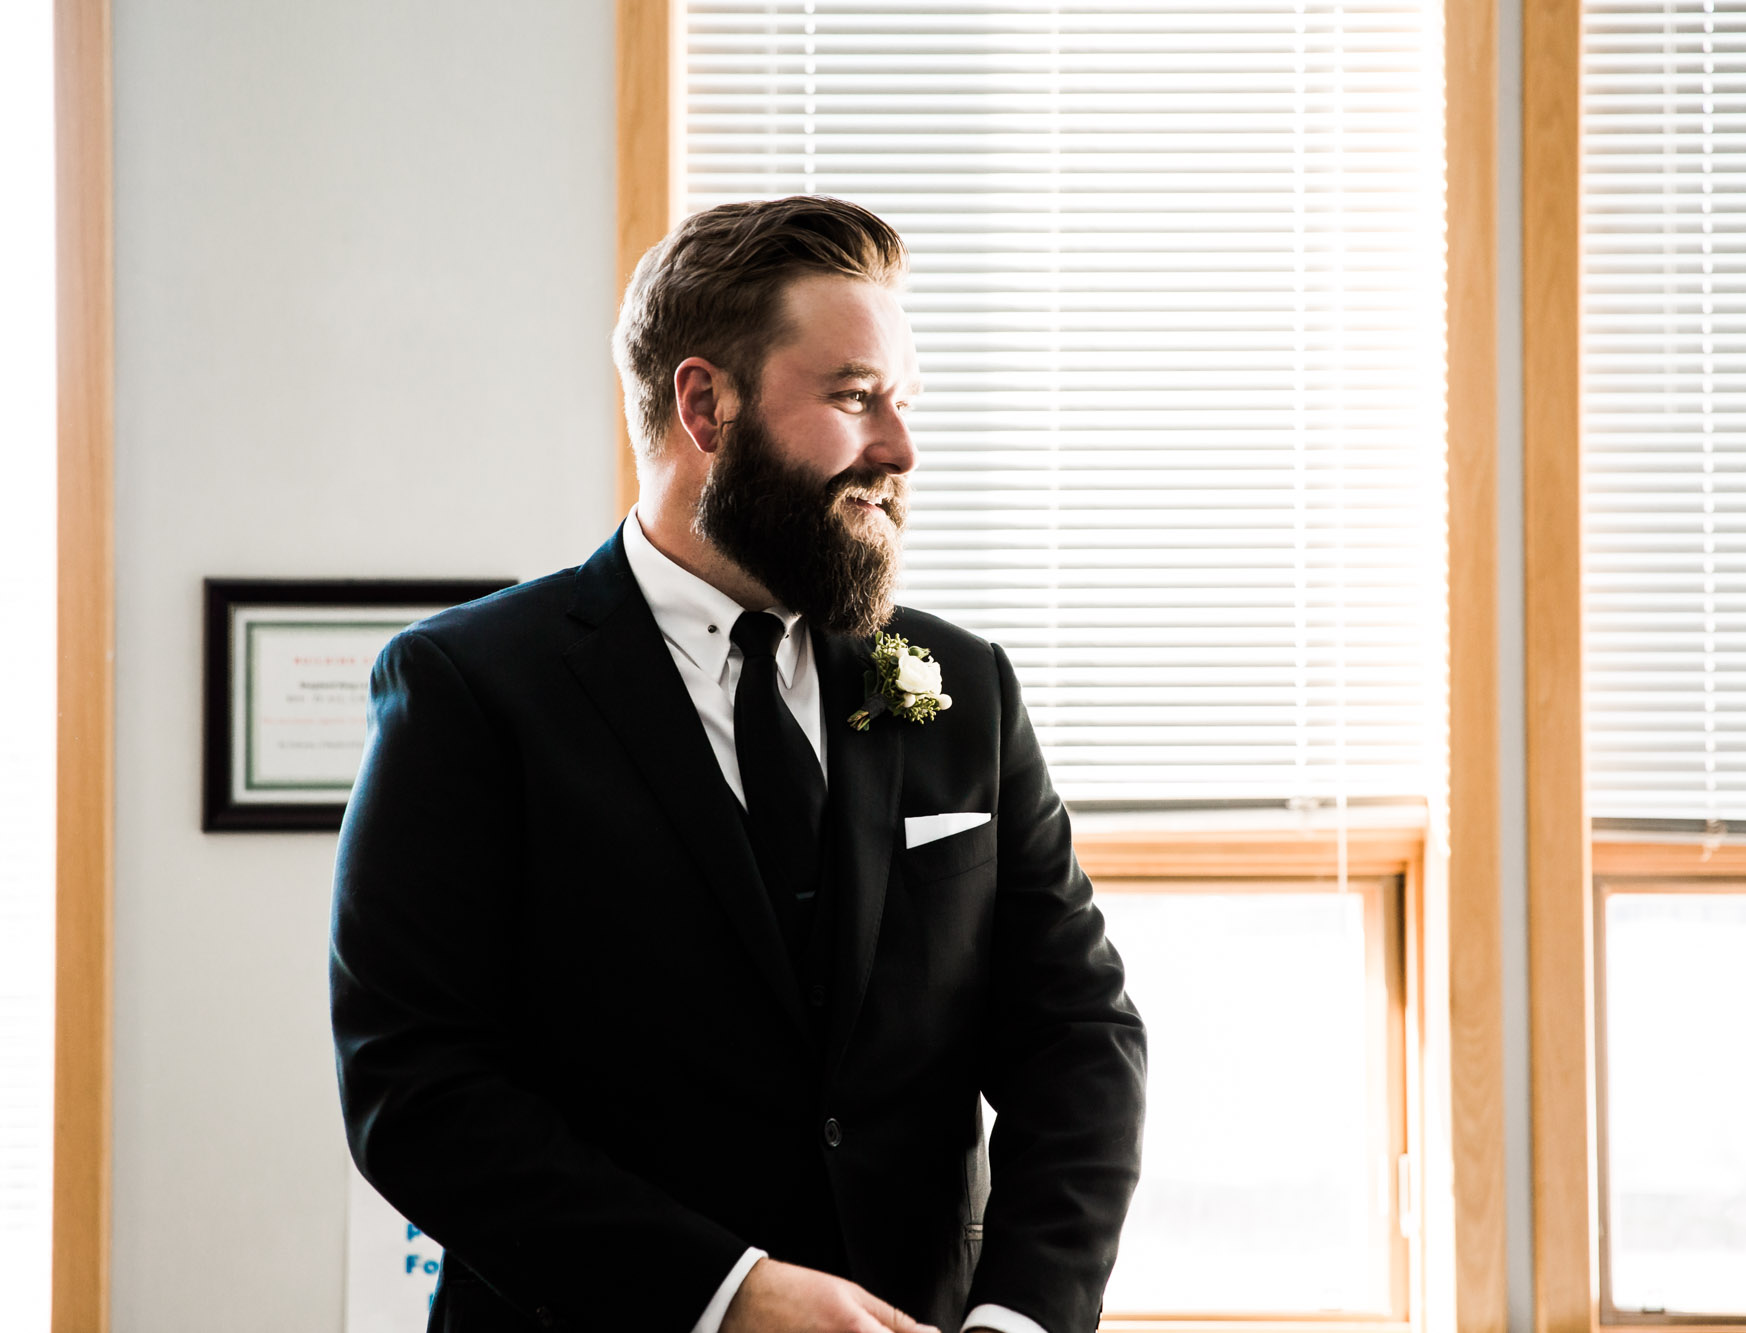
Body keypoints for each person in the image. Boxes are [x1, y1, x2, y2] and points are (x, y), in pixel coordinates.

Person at [330, 195, 1146, 1333]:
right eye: (854, 398)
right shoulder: (468, 690)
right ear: (704, 405)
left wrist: (1019, 1315)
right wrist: (725, 1294)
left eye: (903, 403)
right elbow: (415, 1087)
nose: (900, 451)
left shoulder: (964, 685)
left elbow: (1078, 1035)